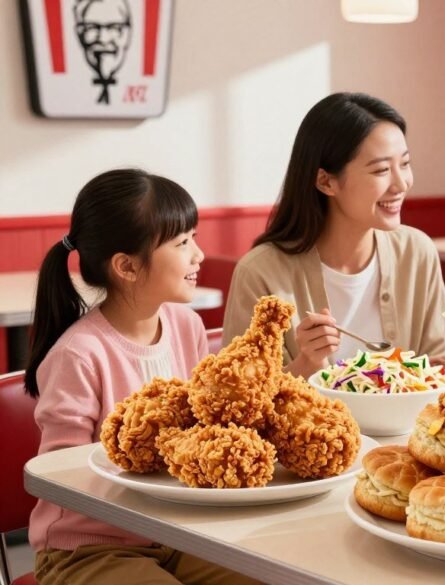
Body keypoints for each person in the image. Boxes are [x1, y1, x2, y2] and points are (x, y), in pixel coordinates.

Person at [24, 169, 259, 585]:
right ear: (127, 267)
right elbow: (61, 480)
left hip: (177, 535)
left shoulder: (186, 326)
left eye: (195, 237)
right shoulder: (78, 355)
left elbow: (205, 426)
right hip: (86, 549)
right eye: (183, 242)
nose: (199, 255)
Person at [223, 92, 445, 379]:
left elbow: (440, 365)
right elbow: (239, 399)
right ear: (326, 181)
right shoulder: (260, 273)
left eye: (404, 164)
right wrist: (305, 366)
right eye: (381, 170)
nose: (401, 183)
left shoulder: (417, 252)